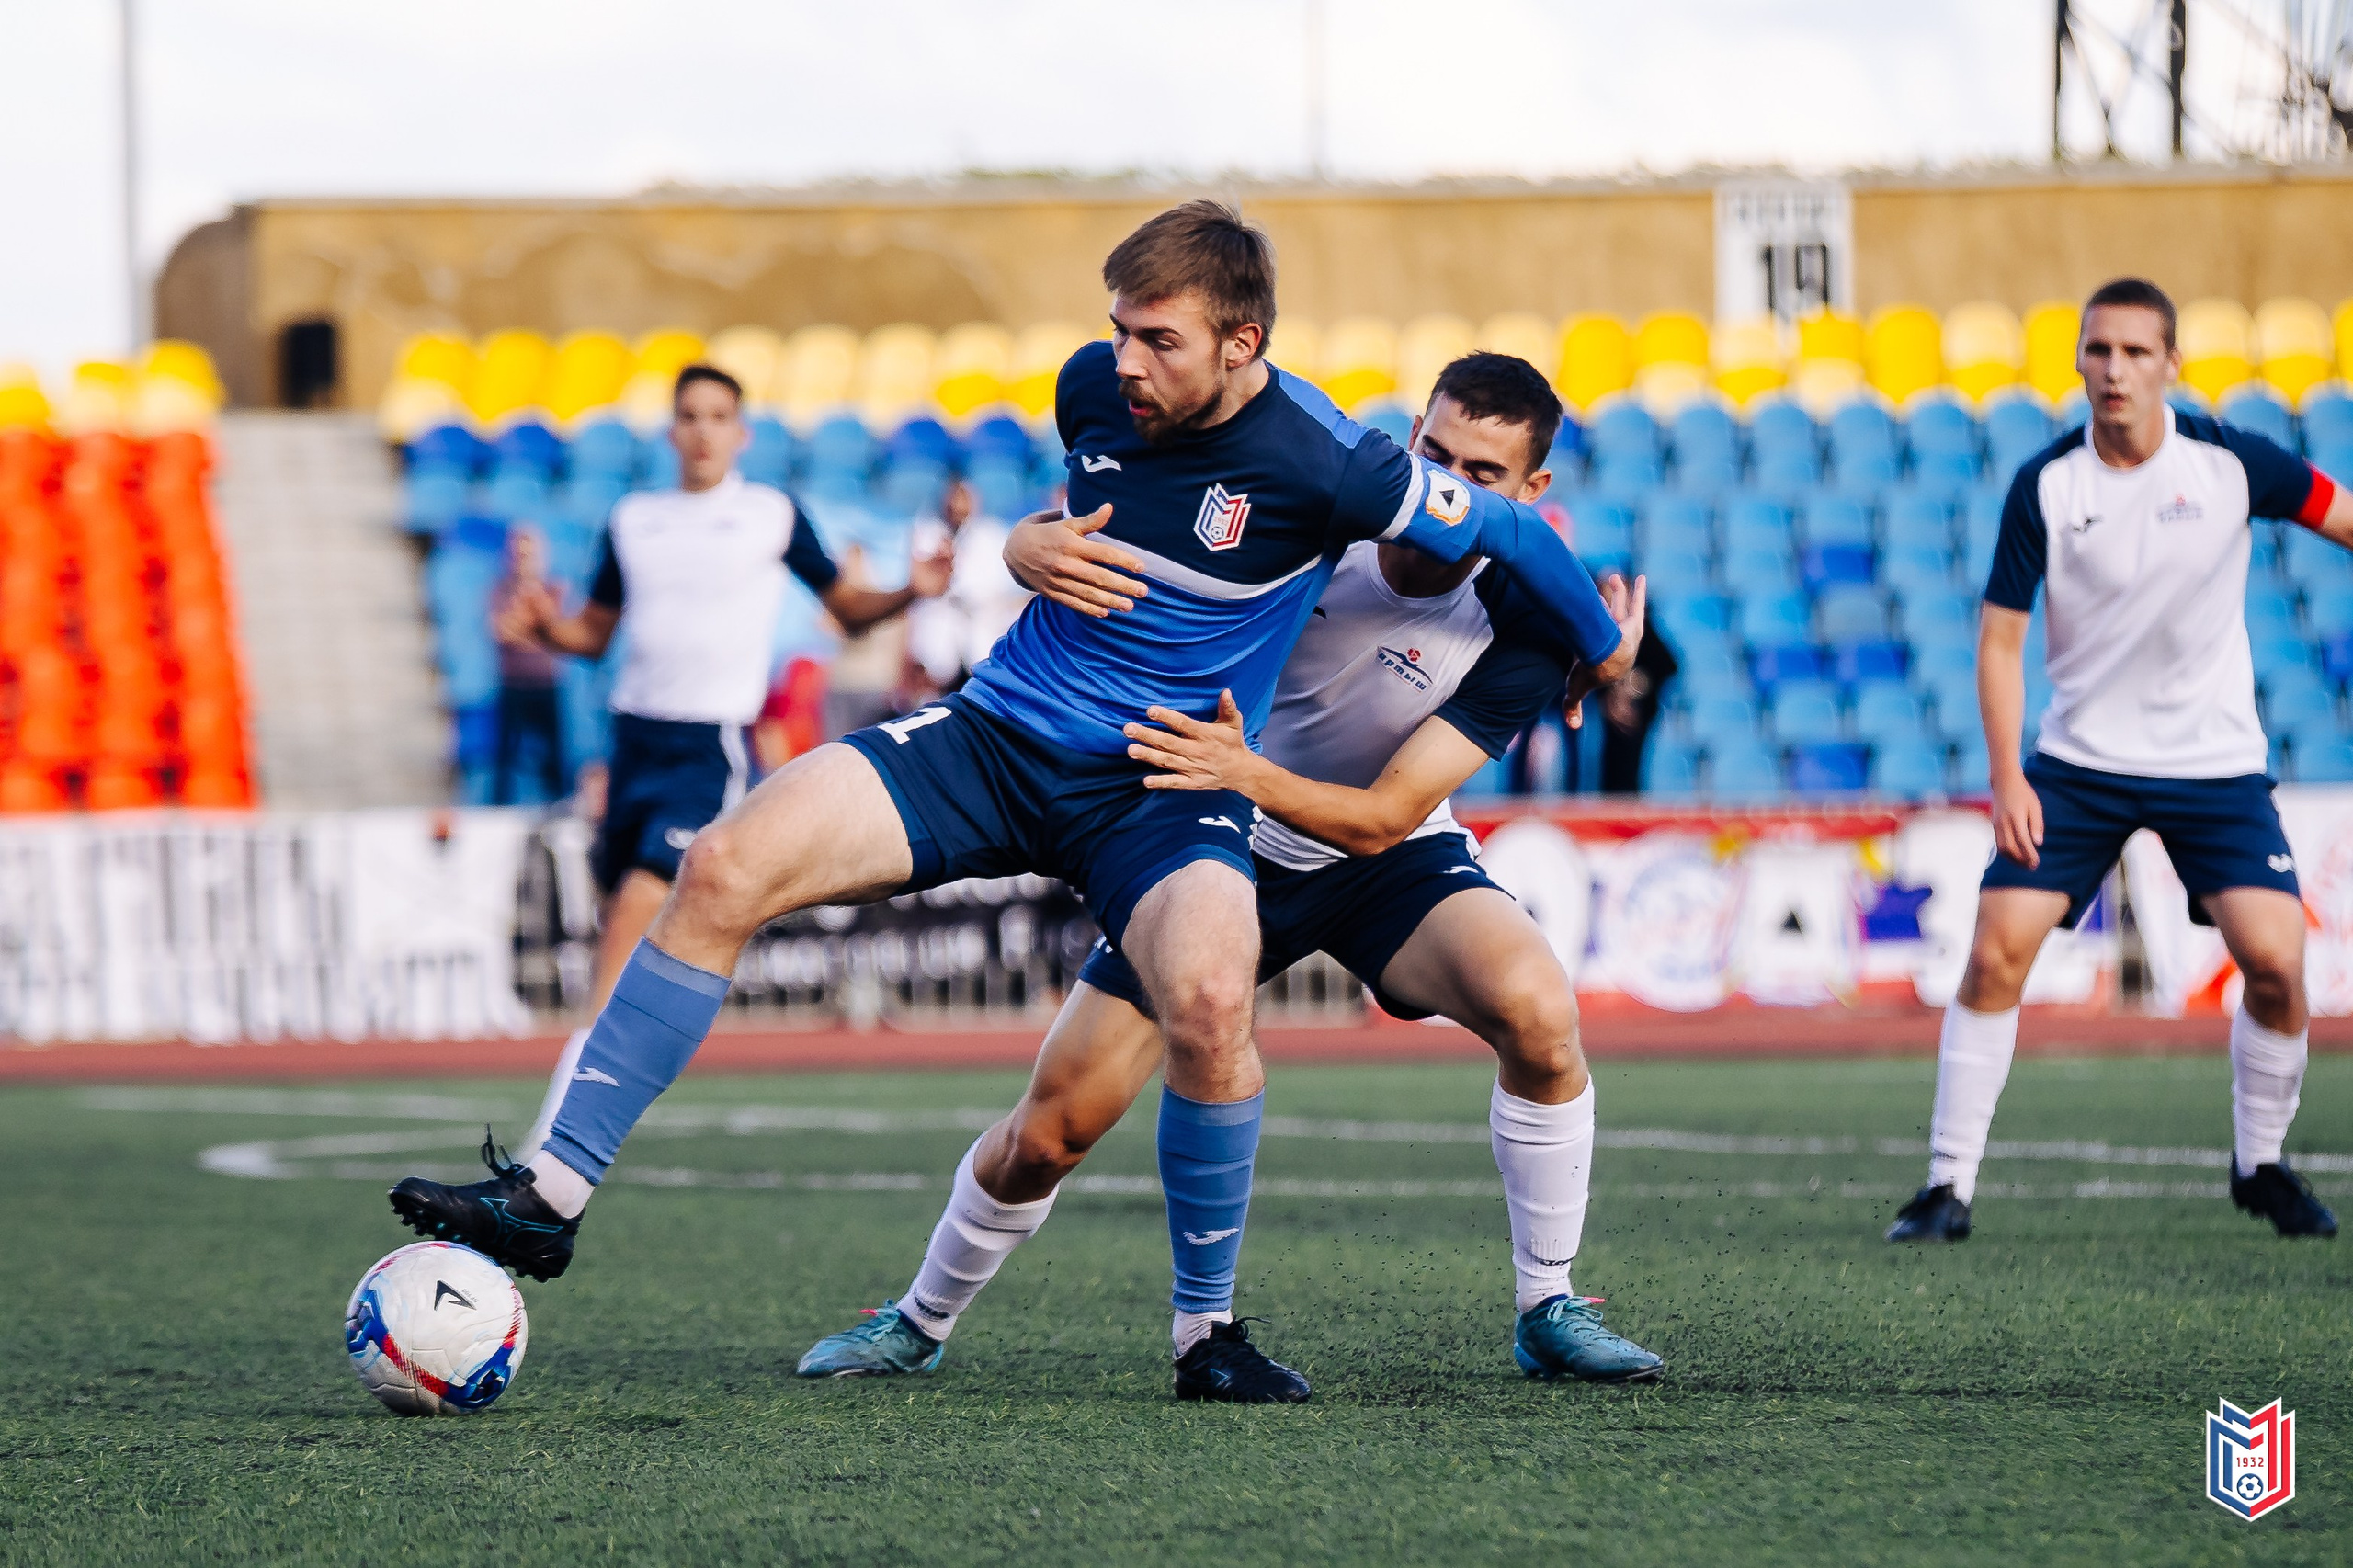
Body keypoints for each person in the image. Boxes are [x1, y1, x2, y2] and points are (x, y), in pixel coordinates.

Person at [387, 206, 1636, 1391]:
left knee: (1219, 997)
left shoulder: (1337, 464)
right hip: (997, 735)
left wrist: (1605, 645)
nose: (1125, 362)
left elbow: (1511, 565)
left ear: (1241, 343)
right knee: (723, 867)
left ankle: (1216, 1332)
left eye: (1161, 338)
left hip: (1168, 783)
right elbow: (1095, 513)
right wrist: (1018, 544)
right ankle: (551, 1194)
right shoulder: (1093, 389)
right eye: (1120, 328)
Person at [793, 352, 1660, 1398]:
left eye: (1484, 473)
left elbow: (1386, 814)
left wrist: (1602, 651)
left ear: (1531, 496)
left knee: (1537, 1005)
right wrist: (1024, 544)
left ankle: (1548, 1303)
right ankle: (920, 1317)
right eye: (1436, 453)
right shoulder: (1328, 518)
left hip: (1375, 852)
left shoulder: (1523, 617)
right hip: (1212, 833)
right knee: (1054, 1125)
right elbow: (1131, 525)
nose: (1451, 486)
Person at [1885, 278, 2353, 1244]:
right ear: (2079, 362)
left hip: (2214, 764)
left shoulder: (2232, 462)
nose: (2114, 369)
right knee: (1994, 948)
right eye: (2099, 350)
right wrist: (2008, 773)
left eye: (2136, 352)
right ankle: (1945, 1187)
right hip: (2078, 766)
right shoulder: (2046, 484)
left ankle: (2258, 1164)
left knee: (2275, 961)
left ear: (2170, 365)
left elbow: (2340, 513)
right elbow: (2000, 642)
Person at [482, 362, 949, 1047]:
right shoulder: (634, 520)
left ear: (742, 432)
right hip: (634, 735)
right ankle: (635, 1055)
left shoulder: (769, 514)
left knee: (641, 901)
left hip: (709, 742)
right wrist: (543, 625)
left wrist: (911, 590)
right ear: (671, 431)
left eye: (718, 417)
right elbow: (591, 634)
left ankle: (576, 1083)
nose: (703, 431)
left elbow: (847, 610)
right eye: (690, 416)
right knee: (631, 909)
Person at [904, 477, 1033, 700]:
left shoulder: (992, 535)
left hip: (980, 630)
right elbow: (918, 590)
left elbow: (1004, 588)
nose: (957, 505)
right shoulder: (927, 532)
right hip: (938, 634)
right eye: (953, 497)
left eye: (963, 498)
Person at [487, 526, 567, 805]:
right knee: (505, 758)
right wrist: (538, 632)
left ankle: (558, 805)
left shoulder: (552, 589)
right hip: (513, 684)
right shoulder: (500, 590)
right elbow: (502, 631)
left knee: (554, 756)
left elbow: (559, 635)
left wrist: (528, 630)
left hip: (546, 684)